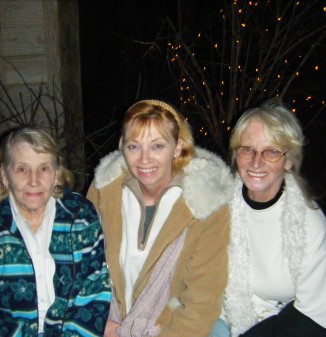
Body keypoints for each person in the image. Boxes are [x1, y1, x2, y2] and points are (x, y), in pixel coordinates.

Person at [86, 99, 234, 337]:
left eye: (157, 146)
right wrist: (94, 318)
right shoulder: (105, 191)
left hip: (170, 327)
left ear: (178, 147)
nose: (144, 160)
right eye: (134, 147)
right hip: (107, 321)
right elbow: (84, 265)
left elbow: (202, 301)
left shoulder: (206, 204)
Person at [0, 127, 111, 337]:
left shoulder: (80, 217)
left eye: (44, 168)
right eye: (22, 169)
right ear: (4, 174)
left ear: (56, 173)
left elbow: (95, 290)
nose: (34, 180)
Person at [213, 99, 326, 337]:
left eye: (271, 152)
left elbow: (315, 317)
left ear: (289, 160)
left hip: (282, 326)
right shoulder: (218, 205)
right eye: (247, 149)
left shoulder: (308, 224)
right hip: (219, 317)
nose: (256, 162)